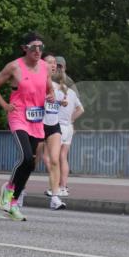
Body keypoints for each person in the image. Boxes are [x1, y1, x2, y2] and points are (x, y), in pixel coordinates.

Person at [0, 32, 55, 221]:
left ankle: (13, 203)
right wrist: (5, 105)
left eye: (41, 47)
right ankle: (8, 190)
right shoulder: (14, 67)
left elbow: (49, 87)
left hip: (36, 119)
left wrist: (50, 96)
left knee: (32, 163)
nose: (38, 51)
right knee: (25, 156)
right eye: (34, 47)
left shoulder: (44, 67)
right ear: (25, 48)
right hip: (18, 116)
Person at [38, 54, 65, 210]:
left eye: (55, 63)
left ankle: (55, 197)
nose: (53, 65)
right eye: (50, 62)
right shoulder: (37, 83)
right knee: (31, 162)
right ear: (42, 65)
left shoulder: (58, 86)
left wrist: (62, 101)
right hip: (37, 125)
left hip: (53, 126)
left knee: (55, 160)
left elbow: (59, 102)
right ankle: (19, 192)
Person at [55, 65, 83, 197]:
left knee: (53, 158)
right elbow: (81, 109)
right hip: (68, 127)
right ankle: (63, 187)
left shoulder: (56, 91)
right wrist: (71, 120)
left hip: (57, 126)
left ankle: (54, 187)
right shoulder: (72, 93)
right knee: (63, 157)